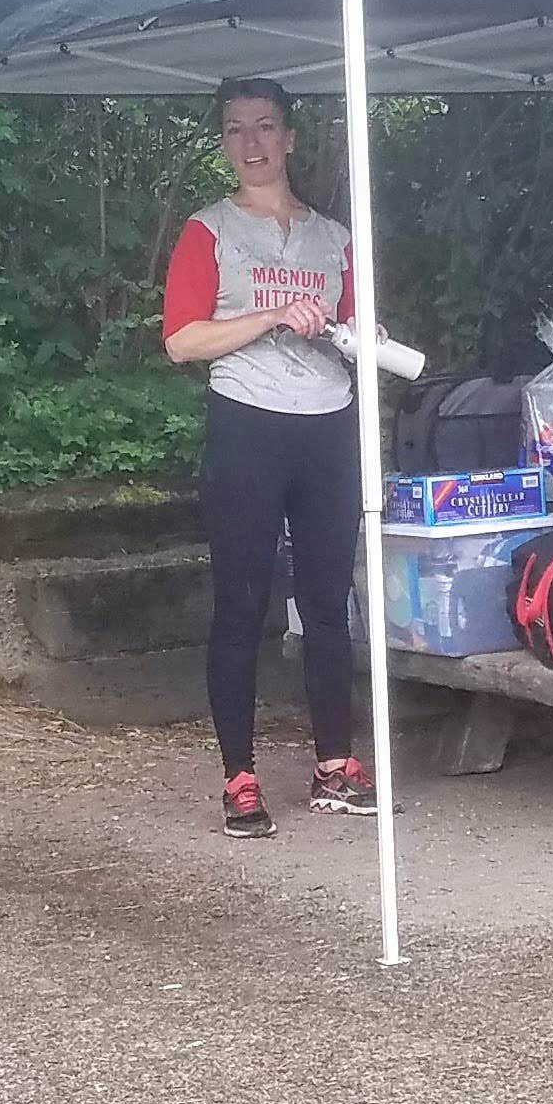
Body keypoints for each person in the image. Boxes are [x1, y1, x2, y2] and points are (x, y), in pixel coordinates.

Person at [161, 78, 380, 837]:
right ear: (224, 145)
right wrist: (267, 318)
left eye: (264, 128)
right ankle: (240, 777)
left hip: (328, 425)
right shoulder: (208, 231)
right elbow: (183, 340)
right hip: (247, 424)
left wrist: (345, 333)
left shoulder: (335, 238)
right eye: (234, 131)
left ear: (289, 138)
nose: (251, 145)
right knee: (242, 602)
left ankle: (334, 765)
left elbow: (363, 335)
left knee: (327, 603)